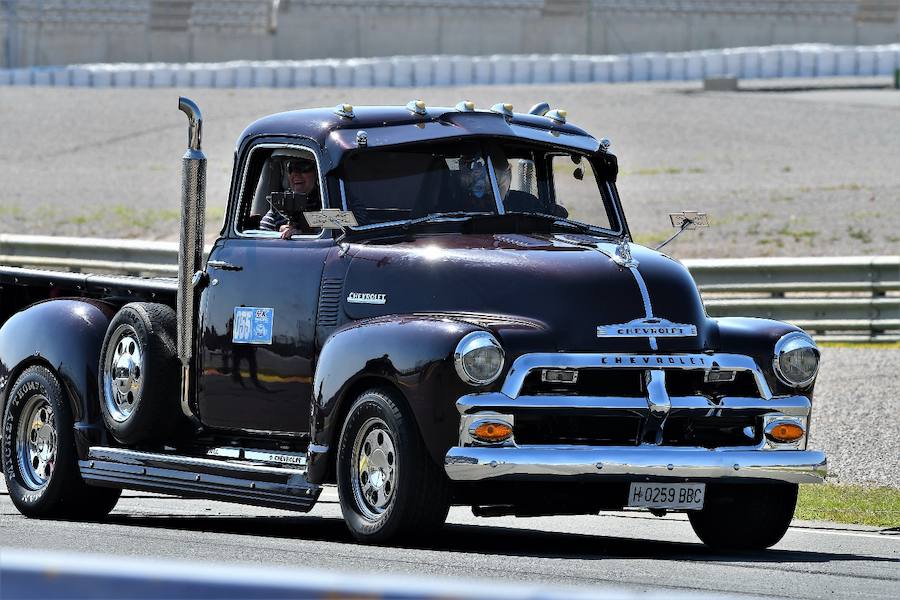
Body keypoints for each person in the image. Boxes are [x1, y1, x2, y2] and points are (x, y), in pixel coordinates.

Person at [260, 154, 321, 239]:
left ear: (317, 172)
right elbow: (261, 241)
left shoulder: (328, 203)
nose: (295, 174)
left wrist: (304, 234)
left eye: (303, 167)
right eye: (290, 168)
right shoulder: (281, 206)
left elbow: (341, 226)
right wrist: (279, 235)